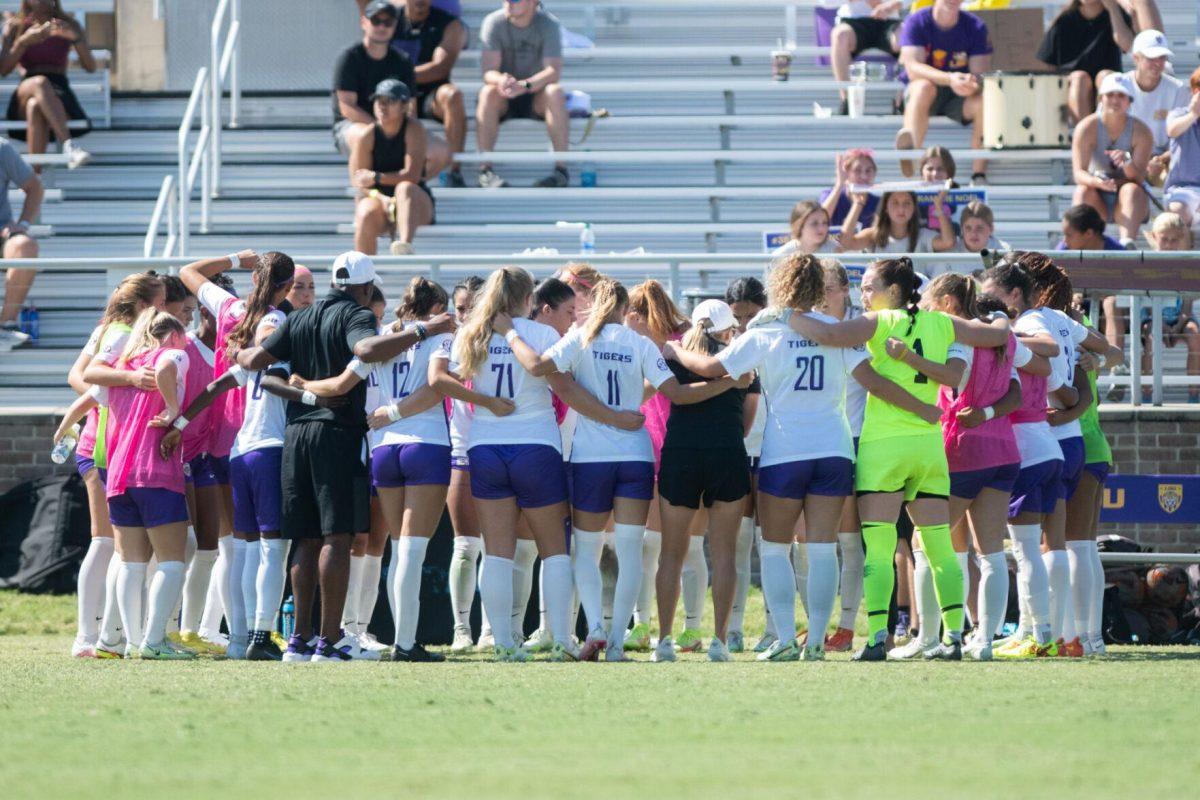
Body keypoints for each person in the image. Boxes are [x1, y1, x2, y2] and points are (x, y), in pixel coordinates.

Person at [786, 257, 1011, 661]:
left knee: (879, 545)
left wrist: (784, 313)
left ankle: (875, 638)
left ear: (894, 291)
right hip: (928, 447)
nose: (863, 294)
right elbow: (994, 337)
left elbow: (829, 334)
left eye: (870, 286)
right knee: (940, 546)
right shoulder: (943, 323)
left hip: (884, 446)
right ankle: (954, 637)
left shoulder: (882, 322)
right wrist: (1000, 319)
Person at [505, 279, 741, 661]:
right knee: (632, 552)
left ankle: (595, 625)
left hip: (590, 458)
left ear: (593, 304)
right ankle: (617, 641)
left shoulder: (581, 337)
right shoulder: (640, 343)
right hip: (635, 454)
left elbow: (540, 368)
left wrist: (510, 335)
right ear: (624, 307)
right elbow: (678, 394)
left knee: (587, 547)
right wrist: (728, 383)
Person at [238, 251, 455, 662]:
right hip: (336, 432)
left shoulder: (298, 317)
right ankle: (330, 639)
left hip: (295, 431)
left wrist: (246, 358)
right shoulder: (357, 314)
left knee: (305, 537)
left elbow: (255, 363)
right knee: (336, 536)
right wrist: (424, 332)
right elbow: (368, 347)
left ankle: (299, 641)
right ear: (365, 287)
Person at [454, 267, 636, 661]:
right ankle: (562, 640)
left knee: (497, 552)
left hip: (485, 446)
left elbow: (442, 380)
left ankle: (502, 643)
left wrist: (484, 403)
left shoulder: (472, 333)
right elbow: (565, 388)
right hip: (535, 445)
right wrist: (611, 416)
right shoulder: (542, 335)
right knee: (554, 550)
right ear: (529, 299)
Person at [63, 273, 164, 658]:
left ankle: (102, 634)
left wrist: (102, 396)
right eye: (158, 302)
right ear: (142, 305)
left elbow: (79, 376)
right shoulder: (122, 331)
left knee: (110, 545)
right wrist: (127, 383)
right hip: (105, 445)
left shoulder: (109, 326)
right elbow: (88, 375)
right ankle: (93, 637)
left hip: (103, 442)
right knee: (108, 543)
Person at [648, 299, 752, 663]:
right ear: (727, 329)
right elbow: (748, 420)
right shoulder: (740, 355)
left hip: (681, 454)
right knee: (723, 554)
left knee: (671, 554)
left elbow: (654, 390)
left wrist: (674, 350)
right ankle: (719, 641)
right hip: (726, 453)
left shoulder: (673, 355)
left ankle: (663, 640)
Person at [102, 309, 193, 659]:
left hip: (119, 472)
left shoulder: (125, 369)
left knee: (130, 564)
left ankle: (132, 642)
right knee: (172, 561)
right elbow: (169, 365)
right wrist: (172, 409)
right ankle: (154, 641)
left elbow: (90, 396)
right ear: (172, 335)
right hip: (155, 469)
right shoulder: (171, 353)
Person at [621, 280, 690, 652]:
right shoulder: (653, 340)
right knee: (653, 544)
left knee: (679, 547)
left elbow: (651, 387)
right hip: (651, 442)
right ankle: (642, 624)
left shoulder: (680, 339)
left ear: (636, 314)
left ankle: (684, 625)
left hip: (673, 445)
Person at [817, 260, 867, 653]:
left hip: (852, 439)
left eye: (826, 286)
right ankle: (814, 623)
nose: (820, 293)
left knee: (849, 542)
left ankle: (847, 626)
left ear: (843, 289)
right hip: (812, 442)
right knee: (814, 543)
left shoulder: (861, 329)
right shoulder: (804, 325)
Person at [894, 0, 992, 183]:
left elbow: (979, 75)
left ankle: (978, 174)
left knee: (984, 99)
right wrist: (950, 79)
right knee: (924, 87)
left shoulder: (975, 26)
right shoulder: (917, 21)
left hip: (958, 97)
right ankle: (911, 155)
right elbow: (913, 68)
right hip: (923, 93)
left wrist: (969, 84)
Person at [442, 276, 488, 652]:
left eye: (472, 307)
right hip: (461, 450)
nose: (466, 314)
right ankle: (461, 630)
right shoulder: (449, 342)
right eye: (459, 308)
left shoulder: (503, 339)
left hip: (497, 449)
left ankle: (491, 629)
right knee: (464, 545)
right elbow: (439, 382)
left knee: (498, 547)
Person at [476, 0, 569, 189]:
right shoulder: (494, 22)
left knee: (555, 92)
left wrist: (525, 85)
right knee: (487, 93)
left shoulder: (548, 24)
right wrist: (502, 80)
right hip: (504, 95)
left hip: (535, 95)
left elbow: (553, 71)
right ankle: (485, 170)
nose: (509, 2)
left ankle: (561, 171)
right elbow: (488, 72)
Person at [725, 277, 767, 653]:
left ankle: (774, 626)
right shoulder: (726, 345)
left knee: (770, 543)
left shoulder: (772, 337)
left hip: (771, 450)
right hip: (737, 451)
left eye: (750, 315)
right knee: (737, 543)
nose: (743, 324)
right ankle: (734, 627)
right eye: (736, 316)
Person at [0, 0, 93, 166]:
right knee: (40, 83)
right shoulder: (16, 26)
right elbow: (4, 70)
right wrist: (23, 42)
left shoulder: (69, 24)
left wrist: (75, 39)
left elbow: (90, 67)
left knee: (35, 106)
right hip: (27, 84)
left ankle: (35, 178)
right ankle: (69, 146)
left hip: (58, 86)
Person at [350, 78, 434, 256]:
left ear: (404, 106)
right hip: (382, 202)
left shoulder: (414, 129)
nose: (382, 106)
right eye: (379, 100)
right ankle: (362, 278)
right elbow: (360, 182)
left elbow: (411, 176)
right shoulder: (367, 135)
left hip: (415, 204)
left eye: (390, 101)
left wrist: (376, 178)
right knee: (365, 212)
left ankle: (404, 246)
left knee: (405, 189)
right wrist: (381, 198)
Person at [390, 0, 469, 186]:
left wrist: (402, 75)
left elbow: (440, 68)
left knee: (453, 95)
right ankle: (403, 169)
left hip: (432, 93)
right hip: (396, 92)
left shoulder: (449, 24)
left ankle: (453, 171)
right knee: (401, 101)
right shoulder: (388, 21)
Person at [1071, 72, 1152, 248]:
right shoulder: (1086, 127)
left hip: (1129, 197)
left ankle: (1126, 243)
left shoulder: (1141, 131)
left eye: (1121, 95)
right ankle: (1084, 243)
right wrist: (1097, 182)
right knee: (1082, 192)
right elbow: (1078, 173)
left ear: (1129, 101)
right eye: (1110, 95)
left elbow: (1139, 178)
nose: (1115, 100)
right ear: (1101, 99)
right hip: (1097, 192)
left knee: (1131, 190)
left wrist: (1127, 163)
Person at [333, 0, 416, 156]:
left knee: (439, 152)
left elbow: (410, 107)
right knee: (367, 138)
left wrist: (398, 131)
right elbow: (346, 106)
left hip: (393, 126)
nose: (382, 27)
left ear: (395, 26)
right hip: (352, 125)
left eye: (388, 22)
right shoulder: (349, 58)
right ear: (363, 22)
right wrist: (380, 129)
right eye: (376, 21)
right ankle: (364, 180)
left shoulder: (403, 61)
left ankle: (403, 178)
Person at [1037, 0, 1134, 125]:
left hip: (1105, 84)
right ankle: (1085, 135)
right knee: (1080, 78)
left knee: (1105, 76)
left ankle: (1108, 133)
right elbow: (1048, 65)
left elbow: (1128, 46)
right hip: (1074, 87)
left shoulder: (1116, 16)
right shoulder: (1064, 20)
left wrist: (1113, 9)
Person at [1141, 214, 1199, 403]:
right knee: (1150, 339)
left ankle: (1194, 393)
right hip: (1153, 316)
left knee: (1194, 334)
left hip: (1179, 318)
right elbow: (1148, 302)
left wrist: (1179, 324)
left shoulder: (1186, 263)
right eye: (1164, 239)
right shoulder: (1146, 262)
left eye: (1174, 240)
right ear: (1155, 236)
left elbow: (1188, 303)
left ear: (1181, 239)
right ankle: (1147, 392)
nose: (1168, 244)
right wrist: (1161, 325)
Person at [1121, 30, 1187, 182]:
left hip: (1165, 164)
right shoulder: (1119, 88)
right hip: (1125, 162)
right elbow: (1105, 132)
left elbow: (1185, 137)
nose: (1158, 63)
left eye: (1162, 57)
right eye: (1151, 58)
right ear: (1136, 58)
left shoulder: (1178, 90)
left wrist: (1162, 160)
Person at [0, 138, 43, 349]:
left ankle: (5, 326)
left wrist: (23, 223)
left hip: (2, 232)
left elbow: (35, 187)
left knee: (25, 245)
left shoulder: (1, 148)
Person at [829, 1, 902, 115]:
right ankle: (847, 100)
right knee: (840, 35)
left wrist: (890, 5)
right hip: (853, 22)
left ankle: (901, 103)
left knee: (907, 36)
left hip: (889, 20)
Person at [839, 189, 956, 253]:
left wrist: (939, 207)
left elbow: (948, 242)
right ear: (885, 207)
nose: (901, 209)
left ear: (914, 208)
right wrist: (857, 204)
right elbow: (845, 243)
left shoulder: (923, 235)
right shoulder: (872, 235)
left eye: (907, 203)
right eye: (895, 203)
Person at [1163, 66, 1200, 227]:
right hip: (1183, 189)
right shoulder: (1178, 114)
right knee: (1177, 211)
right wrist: (1193, 114)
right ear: (1195, 92)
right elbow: (1172, 130)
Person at [821, 148, 880, 228]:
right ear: (846, 172)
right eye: (857, 170)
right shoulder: (830, 195)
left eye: (868, 170)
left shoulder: (878, 202)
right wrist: (839, 184)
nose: (864, 176)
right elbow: (820, 220)